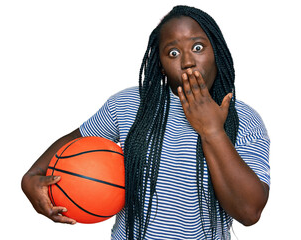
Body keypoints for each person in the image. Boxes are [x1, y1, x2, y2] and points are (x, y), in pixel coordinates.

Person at [21, 5, 270, 240]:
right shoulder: (129, 104)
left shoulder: (245, 119)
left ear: (217, 52)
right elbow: (71, 147)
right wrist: (30, 179)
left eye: (198, 47)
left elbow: (250, 213)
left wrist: (212, 131)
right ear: (160, 65)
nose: (187, 62)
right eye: (173, 52)